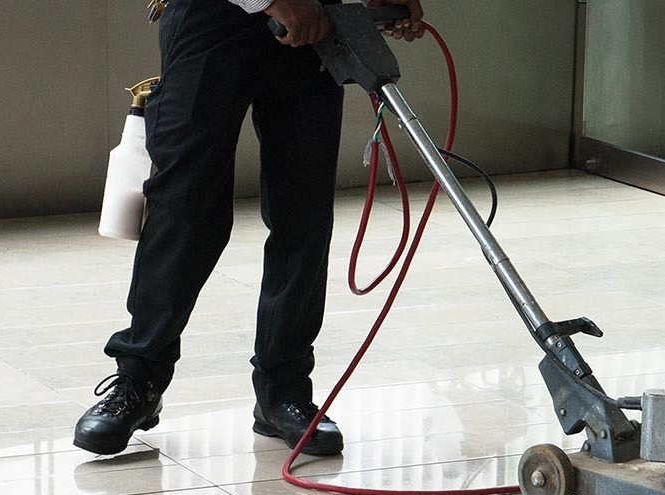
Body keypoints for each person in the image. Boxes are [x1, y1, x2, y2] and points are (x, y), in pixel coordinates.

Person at [74, 0, 424, 458]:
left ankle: (284, 391)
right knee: (185, 208)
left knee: (303, 210)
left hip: (313, 23)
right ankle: (138, 380)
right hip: (210, 20)